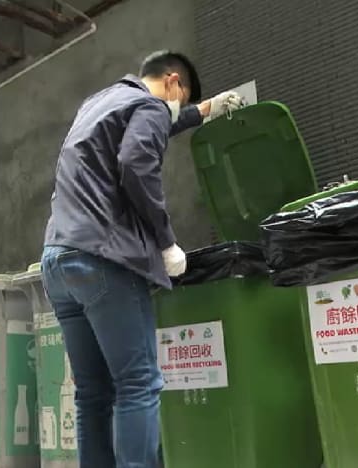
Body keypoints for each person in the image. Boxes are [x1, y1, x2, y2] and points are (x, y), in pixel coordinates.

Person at [40, 50, 245, 468]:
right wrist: (166, 241)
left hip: (58, 261)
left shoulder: (100, 103)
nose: (175, 109)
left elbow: (156, 124)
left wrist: (205, 110)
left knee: (92, 393)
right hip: (104, 261)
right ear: (172, 82)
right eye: (181, 100)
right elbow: (136, 161)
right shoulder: (150, 106)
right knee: (138, 383)